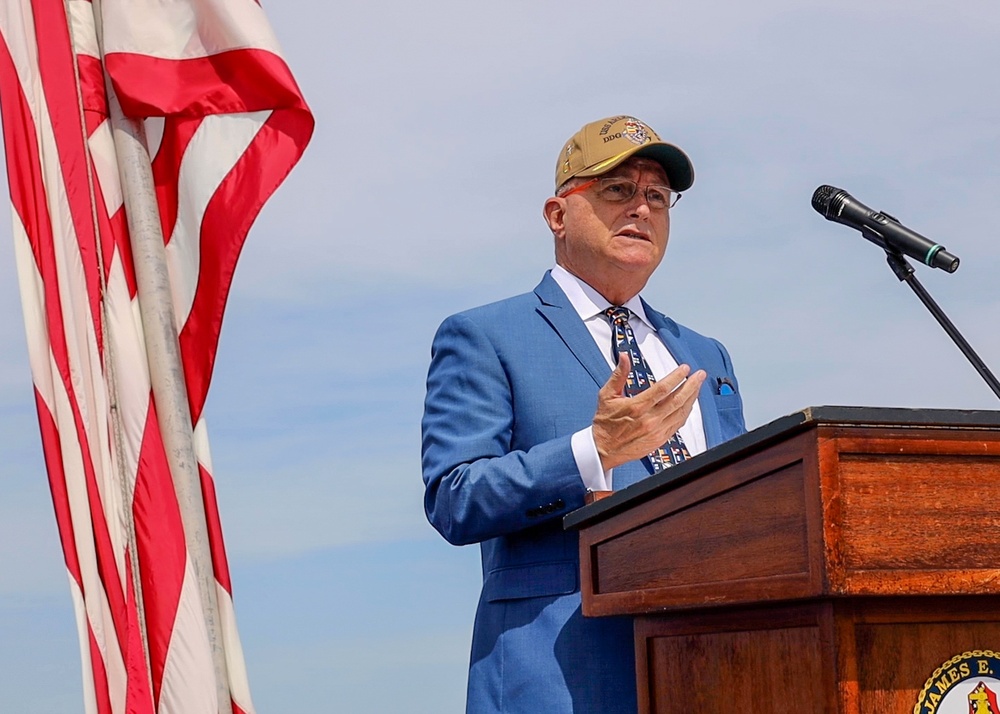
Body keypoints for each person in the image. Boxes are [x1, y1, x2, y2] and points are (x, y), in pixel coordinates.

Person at [421, 115, 747, 714]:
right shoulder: (486, 336)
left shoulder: (705, 354)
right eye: (618, 191)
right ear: (557, 214)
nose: (642, 210)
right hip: (558, 680)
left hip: (708, 672)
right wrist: (592, 452)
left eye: (656, 196)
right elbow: (454, 497)